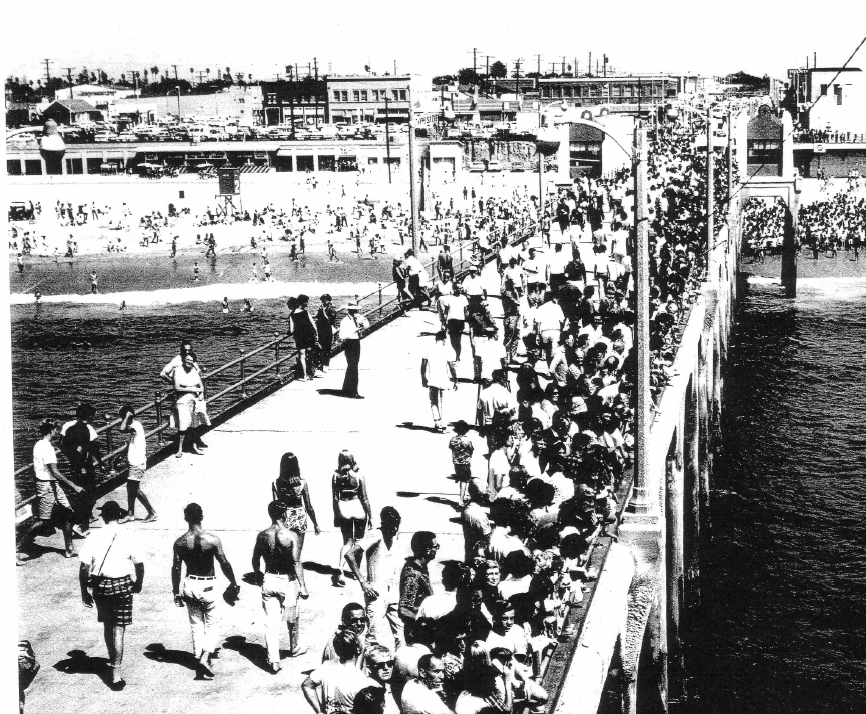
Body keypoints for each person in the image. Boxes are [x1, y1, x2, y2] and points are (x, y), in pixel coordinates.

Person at [78, 501, 145, 690]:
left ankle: (113, 664)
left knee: (108, 625)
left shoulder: (93, 536)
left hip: (101, 586)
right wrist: (138, 583)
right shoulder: (128, 535)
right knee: (119, 628)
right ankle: (116, 674)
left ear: (103, 516)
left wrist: (84, 592)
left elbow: (84, 567)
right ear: (119, 515)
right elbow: (139, 564)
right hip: (123, 585)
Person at [171, 503, 240, 679]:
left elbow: (176, 568)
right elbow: (224, 562)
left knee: (196, 624)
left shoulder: (179, 542)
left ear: (186, 518)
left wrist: (176, 591)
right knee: (213, 623)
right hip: (208, 584)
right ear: (201, 517)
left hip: (189, 584)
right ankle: (205, 656)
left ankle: (199, 658)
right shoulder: (212, 539)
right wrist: (233, 581)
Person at [252, 500, 310, 673]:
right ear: (284, 514)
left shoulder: (262, 535)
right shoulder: (291, 535)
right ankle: (294, 647)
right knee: (292, 617)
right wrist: (303, 586)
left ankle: (274, 660)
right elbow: (296, 561)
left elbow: (255, 558)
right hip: (288, 582)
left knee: (271, 623)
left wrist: (258, 574)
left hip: (269, 578)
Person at [16, 419, 81, 564]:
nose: (57, 431)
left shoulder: (38, 444)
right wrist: (73, 486)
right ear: (50, 430)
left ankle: (69, 548)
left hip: (51, 484)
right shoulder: (47, 447)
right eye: (56, 429)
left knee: (68, 513)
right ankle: (16, 548)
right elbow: (55, 471)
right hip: (47, 486)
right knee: (43, 521)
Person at [345, 506, 404, 651]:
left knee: (401, 633)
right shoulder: (375, 535)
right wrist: (363, 583)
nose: (395, 529)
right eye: (392, 526)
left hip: (394, 591)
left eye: (397, 525)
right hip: (376, 591)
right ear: (384, 523)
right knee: (374, 635)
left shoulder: (395, 535)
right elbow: (350, 554)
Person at [302, 630, 375, 714]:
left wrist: (320, 711)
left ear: (337, 650)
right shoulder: (361, 680)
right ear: (358, 649)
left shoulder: (326, 666)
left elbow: (306, 685)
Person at [332, 450, 373, 587]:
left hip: (344, 507)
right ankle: (356, 572)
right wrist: (370, 516)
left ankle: (340, 569)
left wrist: (336, 515)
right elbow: (365, 498)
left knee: (347, 542)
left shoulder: (336, 476)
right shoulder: (359, 475)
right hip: (358, 508)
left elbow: (335, 498)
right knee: (359, 541)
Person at [60, 402, 103, 535]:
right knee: (90, 495)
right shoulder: (87, 429)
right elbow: (92, 448)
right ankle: (80, 524)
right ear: (89, 416)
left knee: (78, 494)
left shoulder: (68, 426)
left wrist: (72, 457)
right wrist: (100, 463)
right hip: (85, 466)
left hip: (73, 465)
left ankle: (81, 522)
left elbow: (62, 445)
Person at [272, 452, 321, 560]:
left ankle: (288, 571)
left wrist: (274, 524)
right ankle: (295, 571)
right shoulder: (302, 483)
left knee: (285, 547)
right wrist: (315, 524)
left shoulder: (276, 483)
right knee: (297, 549)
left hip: (284, 516)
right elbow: (309, 506)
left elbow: (275, 506)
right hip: (299, 516)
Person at [116, 405, 157, 523]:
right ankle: (130, 514)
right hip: (134, 462)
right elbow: (129, 444)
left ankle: (152, 512)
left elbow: (121, 429)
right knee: (130, 488)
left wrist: (127, 417)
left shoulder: (135, 426)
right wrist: (120, 457)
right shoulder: (134, 427)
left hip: (137, 463)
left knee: (134, 489)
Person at [170, 352, 209, 458]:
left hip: (194, 399)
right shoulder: (177, 370)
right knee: (182, 426)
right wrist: (192, 389)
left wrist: (201, 394)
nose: (189, 362)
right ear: (183, 360)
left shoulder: (194, 371)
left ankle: (194, 447)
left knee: (194, 425)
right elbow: (177, 388)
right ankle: (180, 449)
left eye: (191, 361)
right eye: (187, 360)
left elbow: (201, 387)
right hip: (182, 400)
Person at [399, 532, 438, 630]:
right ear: (427, 550)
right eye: (436, 546)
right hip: (419, 631)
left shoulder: (421, 568)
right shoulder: (414, 573)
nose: (437, 549)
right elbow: (404, 609)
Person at [421, 330, 458, 432]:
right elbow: (451, 367)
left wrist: (423, 378)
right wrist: (455, 379)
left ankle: (437, 423)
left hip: (432, 379)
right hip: (444, 379)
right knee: (444, 402)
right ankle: (444, 424)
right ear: (444, 339)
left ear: (436, 339)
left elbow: (423, 366)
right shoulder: (447, 350)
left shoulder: (428, 349)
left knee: (433, 401)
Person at [339, 301, 370, 398]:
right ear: (348, 310)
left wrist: (362, 320)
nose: (354, 312)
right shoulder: (345, 321)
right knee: (353, 366)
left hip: (356, 342)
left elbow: (366, 326)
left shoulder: (358, 318)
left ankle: (347, 389)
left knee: (353, 365)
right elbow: (342, 335)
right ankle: (352, 391)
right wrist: (354, 330)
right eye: (352, 310)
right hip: (349, 343)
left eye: (355, 310)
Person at [290, 295, 321, 380]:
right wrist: (316, 336)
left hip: (300, 337)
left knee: (302, 356)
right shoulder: (306, 312)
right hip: (309, 336)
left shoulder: (292, 315)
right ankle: (311, 372)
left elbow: (291, 330)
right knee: (310, 354)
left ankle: (304, 376)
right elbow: (314, 325)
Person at [448, 421, 475, 508]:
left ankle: (462, 497)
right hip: (465, 463)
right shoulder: (466, 440)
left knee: (461, 479)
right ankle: (461, 500)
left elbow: (451, 448)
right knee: (464, 481)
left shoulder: (453, 440)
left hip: (456, 463)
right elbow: (471, 449)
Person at [316, 294, 338, 373]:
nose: (323, 301)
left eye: (325, 300)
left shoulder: (332, 308)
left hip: (327, 328)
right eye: (322, 300)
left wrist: (323, 312)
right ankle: (321, 362)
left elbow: (331, 319)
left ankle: (326, 364)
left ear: (329, 300)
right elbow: (318, 316)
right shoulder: (321, 307)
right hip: (320, 328)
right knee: (320, 346)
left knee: (327, 347)